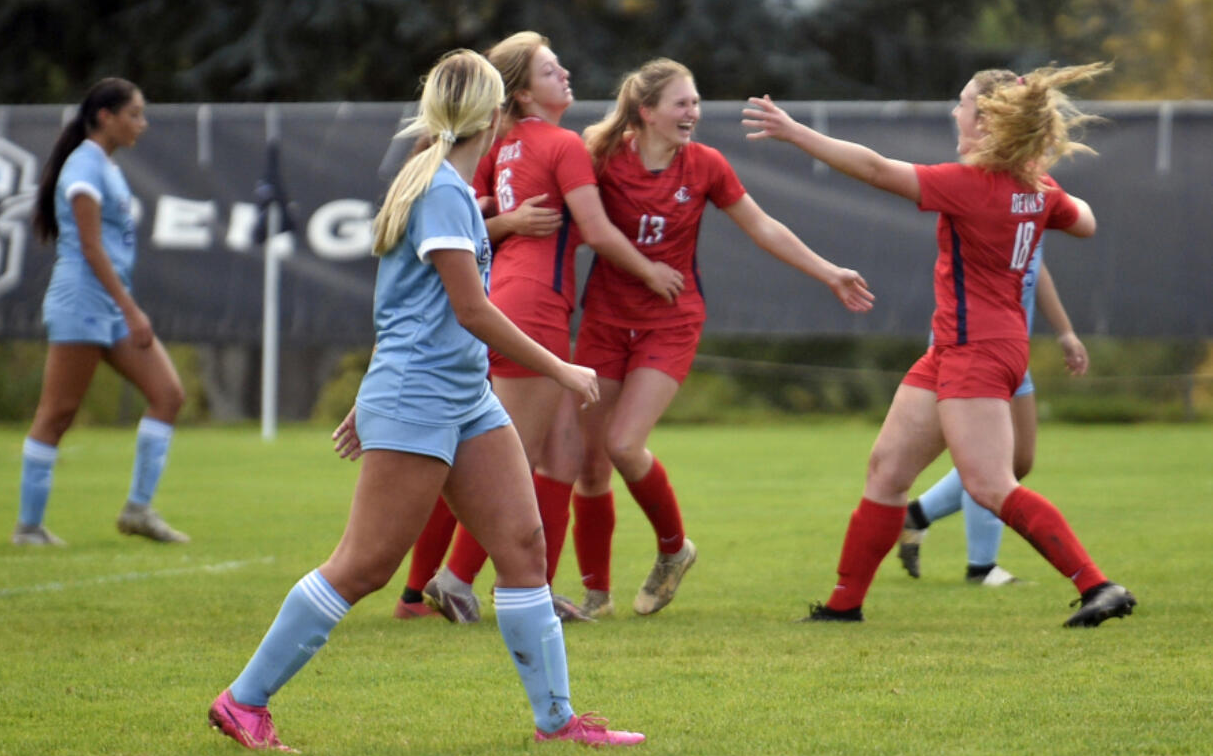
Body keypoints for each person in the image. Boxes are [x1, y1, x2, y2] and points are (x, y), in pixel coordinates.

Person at [209, 49, 644, 751]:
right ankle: (243, 701)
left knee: (524, 547)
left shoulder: (445, 186)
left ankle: (557, 722)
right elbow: (470, 310)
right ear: (496, 116)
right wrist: (561, 368)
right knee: (365, 565)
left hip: (461, 394)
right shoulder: (441, 190)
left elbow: (406, 308)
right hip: (422, 396)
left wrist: (369, 389)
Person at [742, 63, 1137, 628]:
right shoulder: (1034, 186)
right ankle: (843, 606)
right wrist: (1036, 183)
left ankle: (1098, 585)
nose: (956, 112)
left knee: (990, 485)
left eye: (963, 104)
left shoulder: (971, 183)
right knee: (886, 472)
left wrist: (794, 131)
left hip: (977, 348)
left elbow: (876, 169)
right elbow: (1087, 223)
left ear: (988, 120)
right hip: (960, 347)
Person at [568, 58, 875, 619]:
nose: (693, 113)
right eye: (682, 104)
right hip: (605, 321)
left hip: (671, 320)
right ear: (647, 112)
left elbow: (763, 227)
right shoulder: (603, 159)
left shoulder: (705, 165)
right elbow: (589, 228)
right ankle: (595, 596)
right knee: (589, 464)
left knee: (623, 445)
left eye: (696, 102)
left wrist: (829, 271)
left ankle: (673, 551)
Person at [405, 32, 684, 624]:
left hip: (513, 294)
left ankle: (537, 588)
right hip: (534, 304)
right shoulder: (560, 143)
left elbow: (472, 211)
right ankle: (454, 580)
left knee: (560, 455)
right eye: (551, 71)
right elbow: (600, 232)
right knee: (509, 461)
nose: (566, 76)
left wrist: (501, 220)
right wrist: (650, 270)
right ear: (525, 94)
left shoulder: (504, 145)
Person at [13, 77, 188, 547]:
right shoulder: (84, 167)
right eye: (134, 114)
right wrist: (132, 311)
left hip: (110, 306)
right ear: (106, 117)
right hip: (82, 303)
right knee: (58, 413)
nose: (142, 124)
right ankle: (28, 528)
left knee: (168, 394)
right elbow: (90, 248)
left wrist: (124, 308)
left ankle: (138, 510)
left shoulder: (104, 165)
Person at [898, 249, 1090, 585]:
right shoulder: (989, 199)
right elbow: (1083, 223)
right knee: (989, 464)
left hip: (1009, 347)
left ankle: (917, 514)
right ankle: (981, 566)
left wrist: (1065, 331)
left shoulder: (1033, 201)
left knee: (1018, 462)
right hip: (972, 346)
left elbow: (1036, 261)